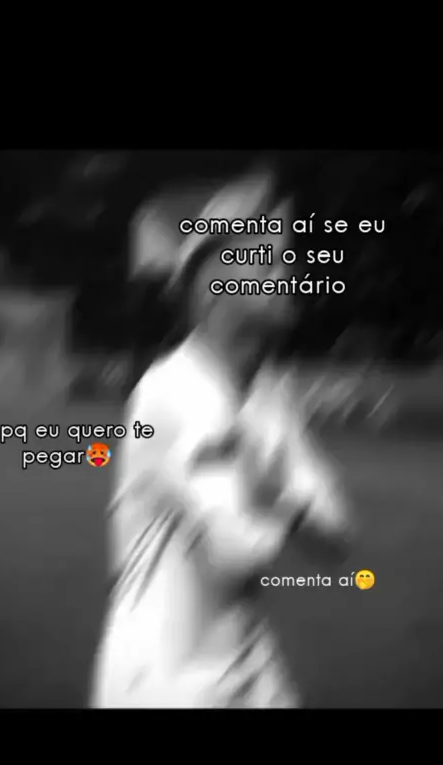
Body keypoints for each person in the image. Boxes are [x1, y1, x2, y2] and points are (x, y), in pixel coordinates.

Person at [90, 165, 353, 708]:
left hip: (250, 664)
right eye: (267, 259)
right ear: (213, 290)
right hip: (163, 681)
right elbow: (239, 550)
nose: (290, 272)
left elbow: (338, 535)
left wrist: (276, 496)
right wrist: (288, 501)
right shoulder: (172, 391)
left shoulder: (270, 396)